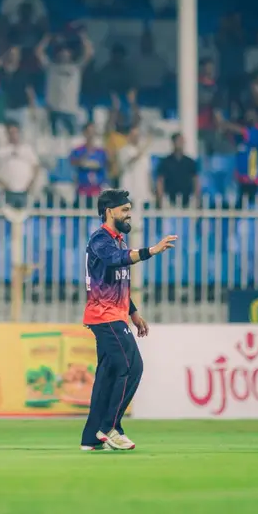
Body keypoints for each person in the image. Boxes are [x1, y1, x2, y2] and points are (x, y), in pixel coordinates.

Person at [80, 189, 177, 452]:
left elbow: (117, 280)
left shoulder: (118, 240)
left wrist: (133, 312)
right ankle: (111, 427)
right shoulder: (101, 238)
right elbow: (115, 261)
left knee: (107, 374)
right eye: (124, 209)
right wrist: (151, 251)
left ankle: (91, 437)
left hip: (115, 315)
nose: (129, 214)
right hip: (105, 315)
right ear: (110, 212)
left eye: (129, 209)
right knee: (130, 367)